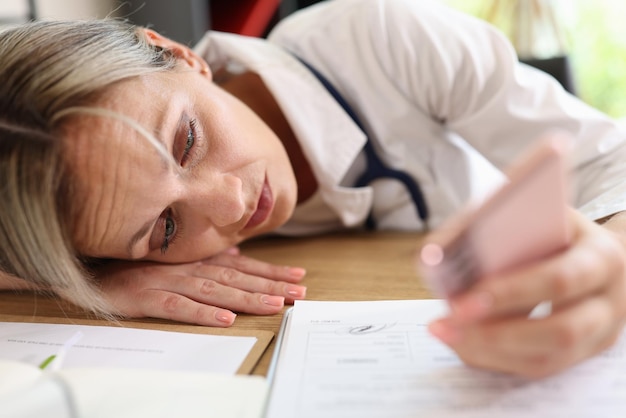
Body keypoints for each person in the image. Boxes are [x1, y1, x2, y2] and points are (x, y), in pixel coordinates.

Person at [1, 0, 625, 378]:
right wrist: (94, 284)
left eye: (187, 140)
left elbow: (611, 160)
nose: (231, 205)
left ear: (177, 53)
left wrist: (614, 251)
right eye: (164, 228)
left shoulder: (380, 40)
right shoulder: (105, 250)